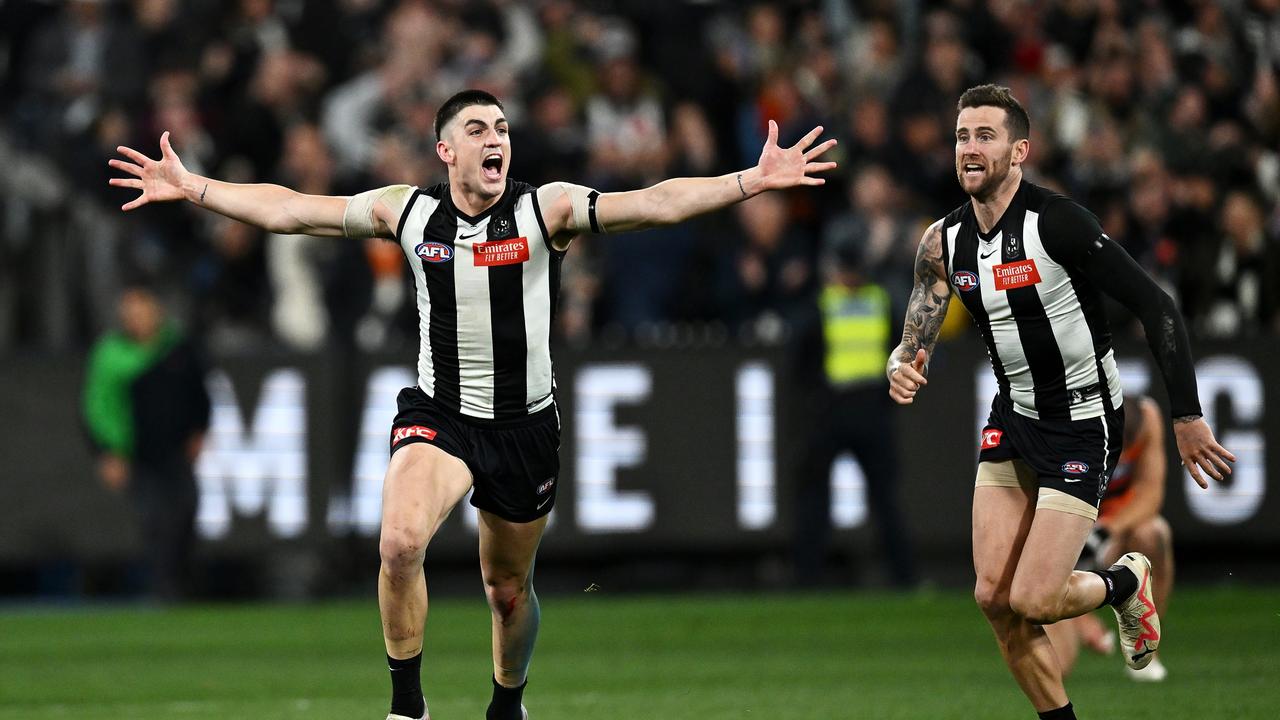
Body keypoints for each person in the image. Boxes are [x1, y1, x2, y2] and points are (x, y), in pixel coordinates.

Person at [109, 89, 836, 720]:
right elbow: (294, 211)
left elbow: (651, 204)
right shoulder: (408, 212)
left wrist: (750, 180)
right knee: (398, 544)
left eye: (503, 129)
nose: (497, 140)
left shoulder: (543, 209)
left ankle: (506, 701)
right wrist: (196, 187)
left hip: (525, 430)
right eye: (480, 131)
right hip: (442, 417)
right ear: (445, 151)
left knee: (507, 591)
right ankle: (407, 704)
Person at [885, 84, 1233, 720]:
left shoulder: (1059, 224)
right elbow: (918, 327)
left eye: (985, 136)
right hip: (1014, 417)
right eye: (962, 135)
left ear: (1020, 150)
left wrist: (1186, 415)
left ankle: (1125, 582)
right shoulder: (943, 242)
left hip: (1082, 421)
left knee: (1036, 600)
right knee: (993, 596)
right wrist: (902, 361)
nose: (969, 148)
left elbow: (1155, 305)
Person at [791, 237, 917, 588]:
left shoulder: (821, 304)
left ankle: (809, 579)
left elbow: (799, 361)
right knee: (880, 498)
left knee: (824, 498)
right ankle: (903, 577)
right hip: (860, 411)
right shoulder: (879, 302)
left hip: (840, 410)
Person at [82, 283, 211, 601]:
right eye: (129, 309)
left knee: (186, 510)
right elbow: (95, 407)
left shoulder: (177, 348)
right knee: (155, 520)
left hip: (176, 452)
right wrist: (106, 451)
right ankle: (164, 588)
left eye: (141, 307)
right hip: (137, 453)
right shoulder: (111, 354)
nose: (134, 316)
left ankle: (180, 581)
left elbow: (199, 395)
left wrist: (199, 431)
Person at [1045, 393, 1175, 682]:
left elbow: (1151, 492)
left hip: (1115, 525)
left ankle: (1146, 646)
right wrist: (1081, 618)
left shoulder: (1147, 417)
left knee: (1154, 533)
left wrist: (1109, 529)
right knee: (1057, 665)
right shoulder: (1070, 429)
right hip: (1069, 521)